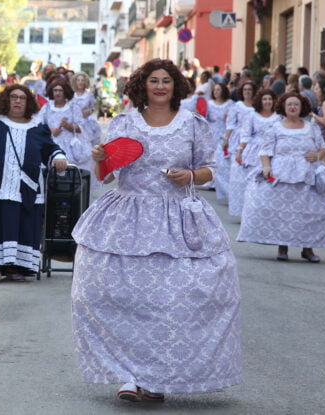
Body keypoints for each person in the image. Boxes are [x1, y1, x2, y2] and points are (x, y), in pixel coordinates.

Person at [71, 59, 241, 401]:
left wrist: (191, 176)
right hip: (126, 220)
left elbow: (209, 167)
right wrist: (98, 156)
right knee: (115, 297)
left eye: (166, 80)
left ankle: (159, 377)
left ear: (176, 85)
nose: (160, 86)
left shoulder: (193, 124)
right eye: (153, 80)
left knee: (174, 302)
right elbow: (106, 173)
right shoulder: (124, 122)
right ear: (142, 85)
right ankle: (127, 375)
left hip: (178, 222)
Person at [0, 84, 67, 282]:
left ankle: (16, 268)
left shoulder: (38, 127)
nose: (18, 101)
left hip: (25, 187)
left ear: (28, 103)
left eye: (22, 98)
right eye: (13, 97)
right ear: (6, 100)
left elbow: (51, 149)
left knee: (23, 225)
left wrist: (59, 157)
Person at [237, 93, 325, 262]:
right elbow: (265, 151)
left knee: (309, 213)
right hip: (281, 173)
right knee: (282, 213)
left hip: (307, 174)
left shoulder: (311, 127)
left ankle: (308, 249)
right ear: (283, 108)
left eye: (296, 105)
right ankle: (282, 247)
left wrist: (317, 155)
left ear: (302, 108)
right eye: (289, 105)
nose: (293, 107)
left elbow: (322, 148)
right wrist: (266, 167)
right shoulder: (275, 128)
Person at [232, 88, 281, 219]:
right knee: (253, 183)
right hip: (254, 152)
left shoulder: (278, 117)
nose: (267, 101)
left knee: (269, 184)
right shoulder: (252, 115)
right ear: (260, 101)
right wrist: (239, 151)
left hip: (272, 151)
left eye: (270, 99)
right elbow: (245, 135)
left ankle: (267, 213)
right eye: (265, 99)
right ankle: (250, 212)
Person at [225, 81, 256, 217]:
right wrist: (226, 139)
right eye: (245, 90)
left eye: (249, 90)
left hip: (253, 142)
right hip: (238, 140)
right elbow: (230, 124)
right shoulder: (237, 106)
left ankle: (250, 208)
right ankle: (239, 209)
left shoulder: (257, 107)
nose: (247, 92)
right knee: (237, 175)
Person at [208, 82, 233, 202]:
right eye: (215, 90)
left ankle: (226, 189)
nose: (216, 92)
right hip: (212, 132)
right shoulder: (210, 104)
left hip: (224, 133)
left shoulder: (229, 104)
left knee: (221, 162)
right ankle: (212, 182)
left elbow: (232, 120)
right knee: (212, 159)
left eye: (218, 89)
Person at [70, 72, 101, 145]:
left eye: (82, 80)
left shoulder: (89, 95)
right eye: (78, 80)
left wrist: (90, 111)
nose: (80, 82)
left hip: (87, 122)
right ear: (75, 82)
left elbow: (94, 108)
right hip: (74, 122)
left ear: (85, 82)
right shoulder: (71, 95)